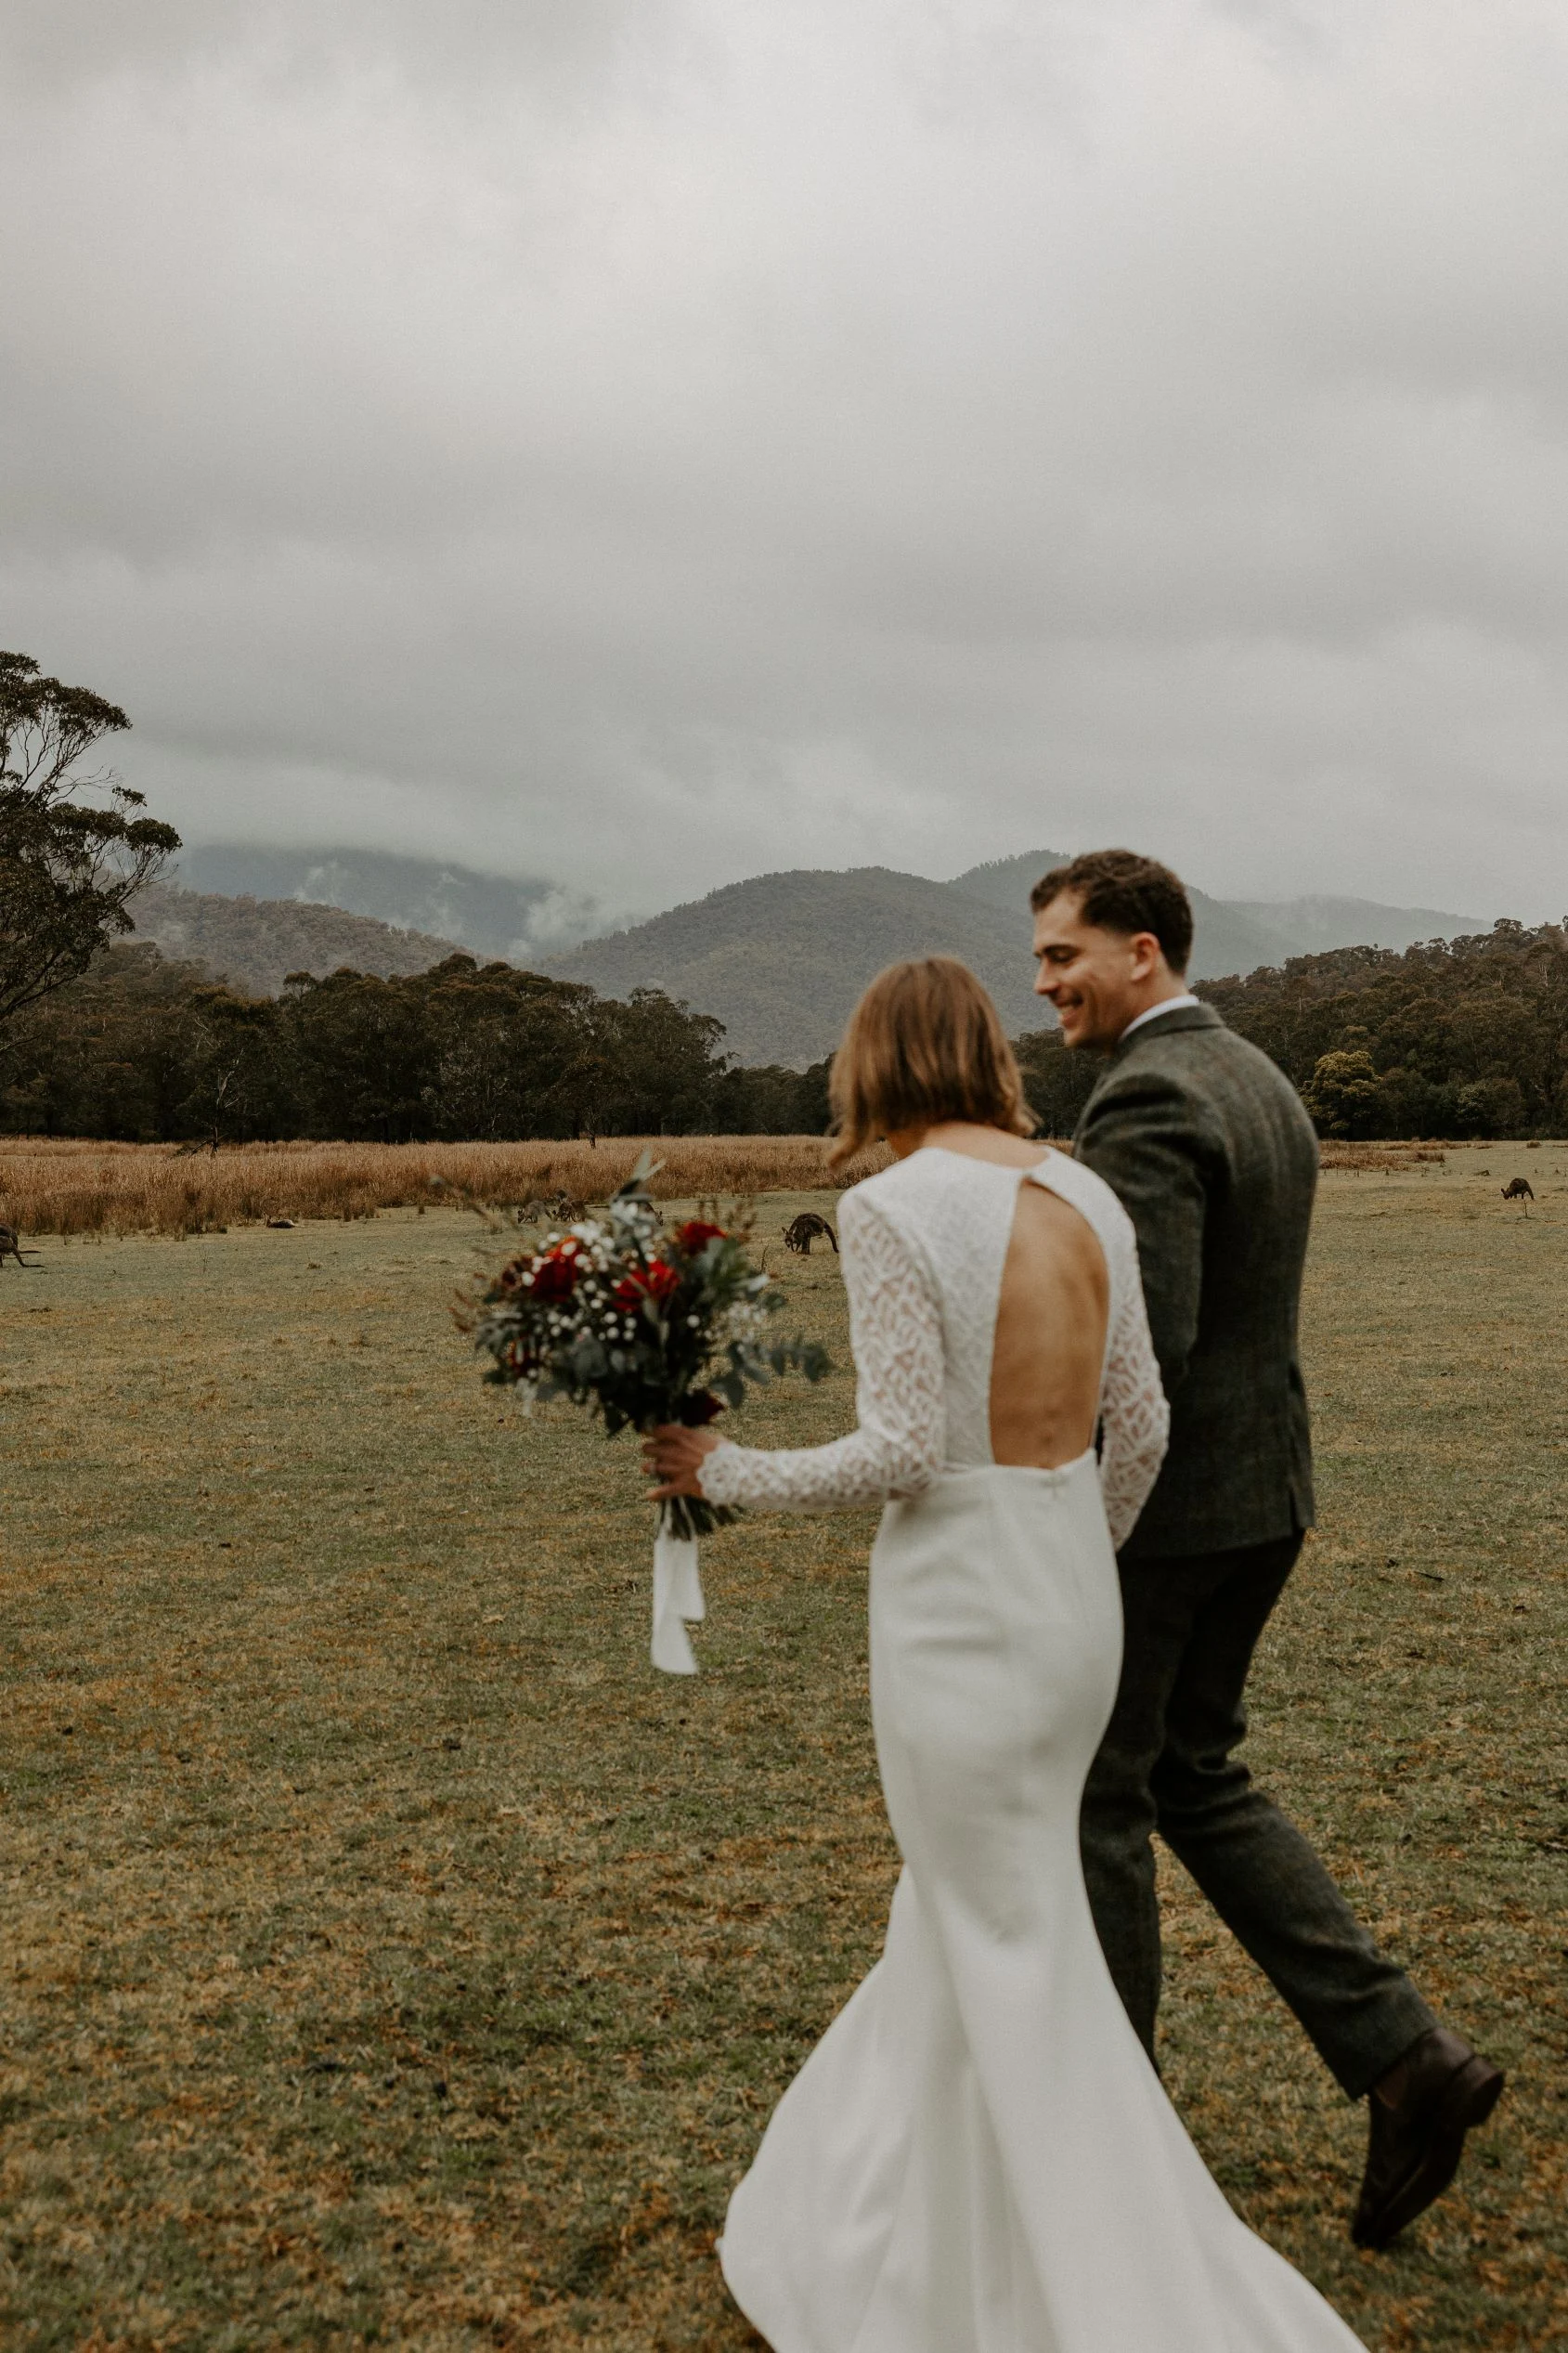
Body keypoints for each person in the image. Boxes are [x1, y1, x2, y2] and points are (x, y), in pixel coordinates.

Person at [646, 956, 1368, 2353]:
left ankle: (1073, 2273)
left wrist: (728, 1467)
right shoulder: (1085, 1186)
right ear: (983, 1049)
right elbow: (1142, 1423)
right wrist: (1065, 1550)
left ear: (874, 1063)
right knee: (982, 1907)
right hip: (1067, 1590)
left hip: (963, 1603)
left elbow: (907, 1450)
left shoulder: (888, 1208)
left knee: (993, 1923)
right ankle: (926, 2229)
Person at [1030, 848, 1505, 2252]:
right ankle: (1408, 2057)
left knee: (1101, 1796)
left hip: (1169, 1518)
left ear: (1143, 951)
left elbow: (1146, 1351)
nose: (1046, 980)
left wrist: (1057, 1509)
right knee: (1193, 1771)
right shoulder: (1256, 1074)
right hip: (1265, 1495)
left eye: (1065, 953)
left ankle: (1105, 2131)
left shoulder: (1153, 1094)